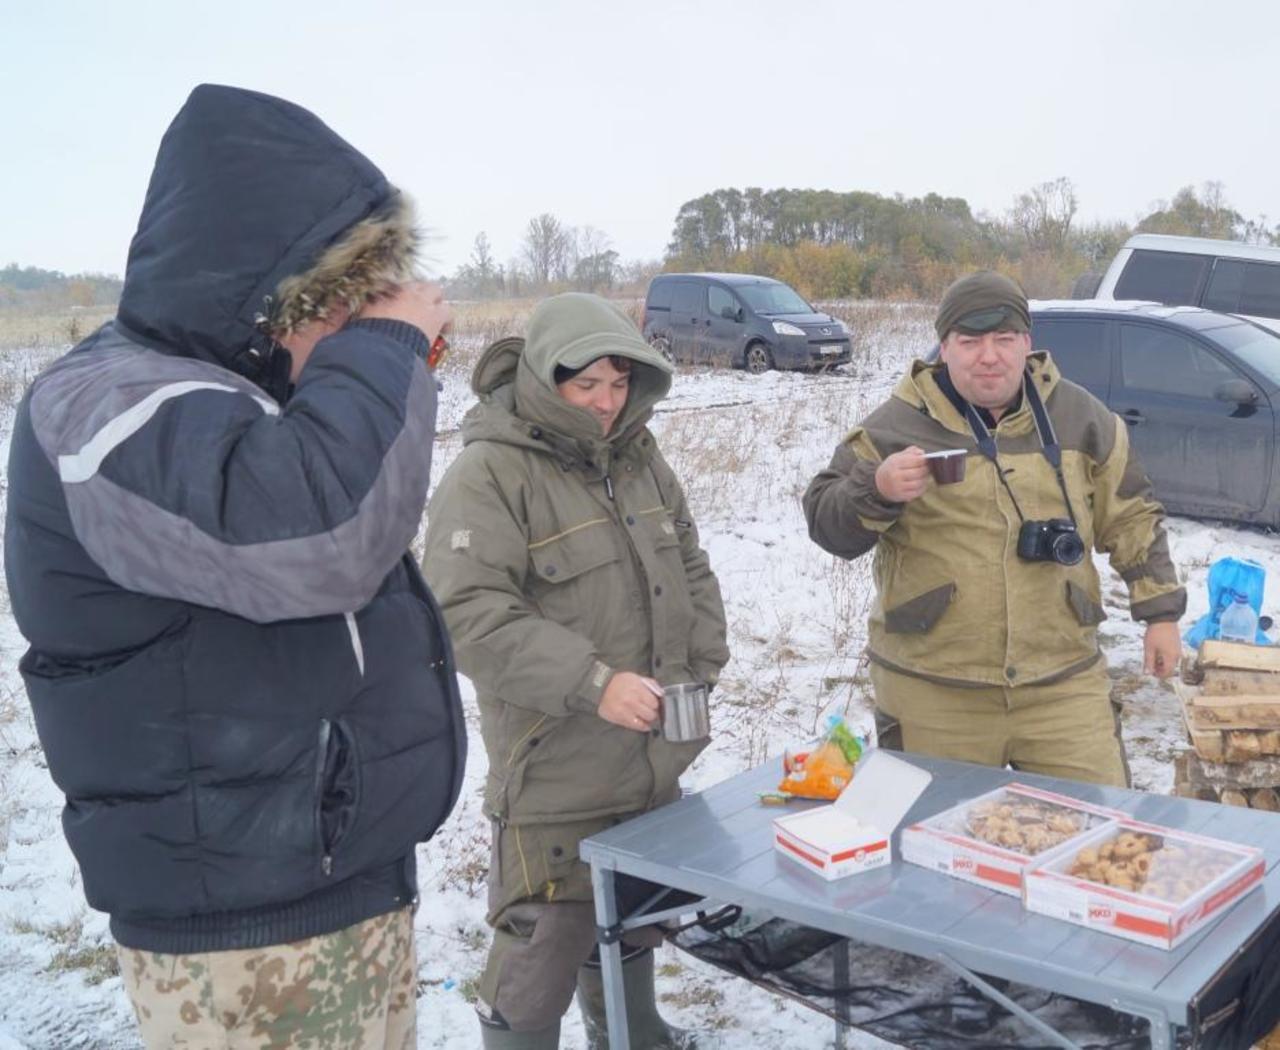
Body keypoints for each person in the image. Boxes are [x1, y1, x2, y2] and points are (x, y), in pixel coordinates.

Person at [4, 84, 466, 1049]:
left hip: (331, 889)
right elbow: (318, 538)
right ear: (272, 294)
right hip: (244, 935)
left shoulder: (228, 397)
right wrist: (385, 348)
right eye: (337, 303)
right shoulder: (109, 406)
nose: (344, 326)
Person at [422, 292, 729, 1049]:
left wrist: (704, 658)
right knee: (542, 939)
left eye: (619, 384)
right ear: (544, 378)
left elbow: (688, 563)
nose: (605, 403)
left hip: (649, 751)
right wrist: (595, 684)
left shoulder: (639, 459)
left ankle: (633, 1033)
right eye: (586, 385)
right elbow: (466, 613)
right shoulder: (489, 473)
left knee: (629, 911)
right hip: (554, 761)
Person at [803, 271, 1185, 786]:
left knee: (1101, 836)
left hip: (1061, 683)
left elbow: (1133, 514)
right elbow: (827, 523)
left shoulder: (1083, 419)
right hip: (933, 689)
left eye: (1004, 340)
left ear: (1027, 344)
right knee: (931, 847)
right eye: (971, 342)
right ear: (945, 347)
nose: (989, 356)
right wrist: (879, 487)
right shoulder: (893, 426)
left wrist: (1160, 613)